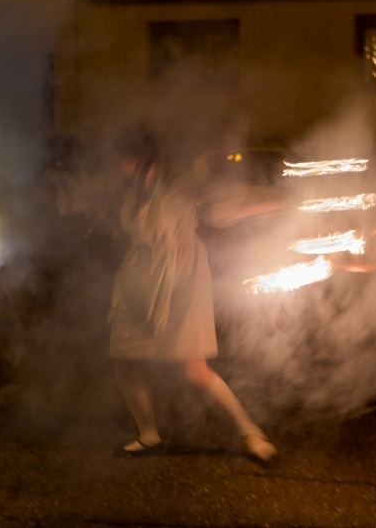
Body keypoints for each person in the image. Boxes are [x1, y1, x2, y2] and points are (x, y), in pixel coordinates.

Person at [107, 124, 287, 462]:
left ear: (140, 157)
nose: (117, 163)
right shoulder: (131, 191)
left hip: (183, 279)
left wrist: (275, 204)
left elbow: (223, 207)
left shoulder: (179, 185)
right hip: (140, 281)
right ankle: (148, 435)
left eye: (121, 157)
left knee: (195, 368)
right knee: (125, 359)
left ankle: (252, 435)